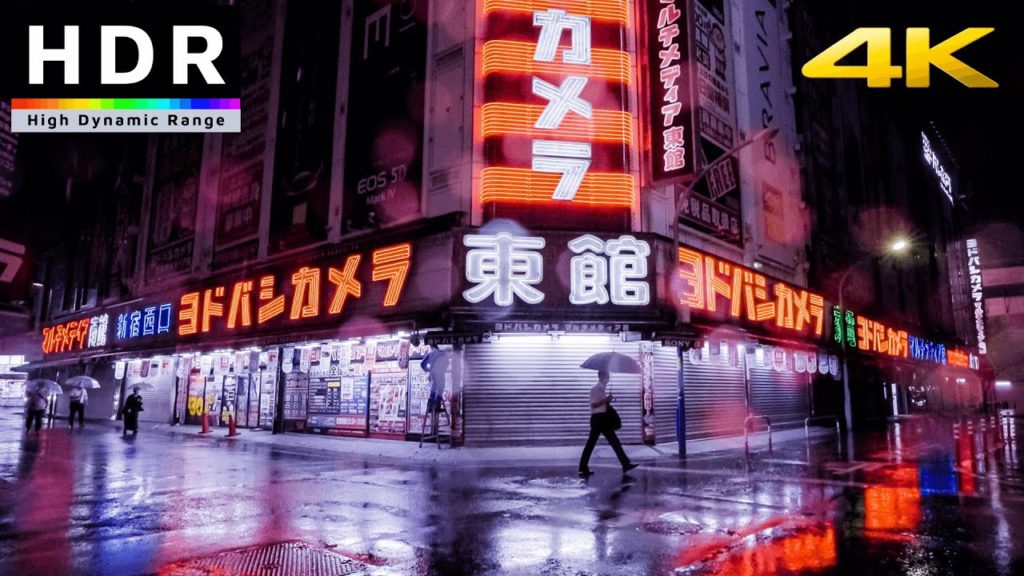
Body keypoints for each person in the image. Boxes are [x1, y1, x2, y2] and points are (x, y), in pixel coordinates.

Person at [578, 370, 638, 477]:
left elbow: (602, 404)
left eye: (608, 376)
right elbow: (593, 405)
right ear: (601, 376)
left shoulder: (602, 389)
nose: (608, 378)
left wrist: (608, 400)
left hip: (604, 419)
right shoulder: (595, 389)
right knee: (590, 444)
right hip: (597, 419)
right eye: (607, 376)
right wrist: (606, 400)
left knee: (615, 442)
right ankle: (583, 467)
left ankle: (625, 464)